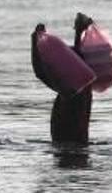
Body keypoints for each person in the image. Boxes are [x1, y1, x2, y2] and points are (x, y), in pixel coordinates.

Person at [32, 12, 94, 144]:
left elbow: (40, 73)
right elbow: (77, 62)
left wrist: (35, 42)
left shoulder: (70, 92)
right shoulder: (84, 88)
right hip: (78, 147)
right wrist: (79, 32)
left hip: (67, 149)